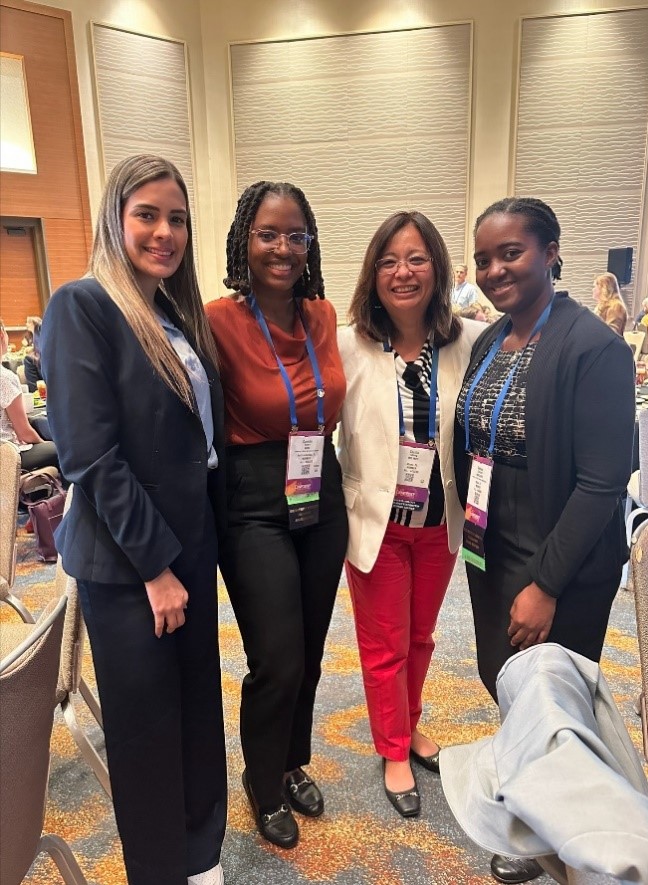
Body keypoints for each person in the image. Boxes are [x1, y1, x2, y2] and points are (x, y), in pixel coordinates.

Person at [41, 155, 227, 885]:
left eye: (177, 218)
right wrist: (155, 568)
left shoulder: (172, 314)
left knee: (194, 714)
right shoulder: (82, 306)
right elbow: (91, 455)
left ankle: (200, 857)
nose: (164, 231)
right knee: (149, 734)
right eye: (147, 214)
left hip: (190, 545)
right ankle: (160, 871)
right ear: (116, 220)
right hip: (132, 564)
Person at [453, 197, 635, 885]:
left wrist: (546, 583)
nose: (496, 269)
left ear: (551, 251)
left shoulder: (596, 347)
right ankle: (531, 809)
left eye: (512, 252)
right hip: (491, 540)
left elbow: (601, 483)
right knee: (508, 683)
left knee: (554, 702)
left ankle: (567, 840)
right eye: (485, 259)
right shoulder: (488, 340)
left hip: (559, 553)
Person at [206, 181, 347, 850]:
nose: (283, 247)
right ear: (244, 239)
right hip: (253, 497)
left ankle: (290, 762)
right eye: (268, 234)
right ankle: (260, 782)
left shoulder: (322, 314)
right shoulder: (216, 319)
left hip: (322, 483)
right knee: (278, 656)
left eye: (296, 235)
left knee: (312, 649)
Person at [337, 212, 483, 818]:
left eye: (417, 259)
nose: (403, 272)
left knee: (421, 637)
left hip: (440, 524)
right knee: (385, 644)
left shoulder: (470, 341)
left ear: (438, 270)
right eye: (390, 261)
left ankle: (410, 723)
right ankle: (394, 749)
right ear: (373, 273)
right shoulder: (348, 344)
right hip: (377, 525)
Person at [0, 318, 58, 471]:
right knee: (57, 449)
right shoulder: (4, 377)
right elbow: (24, 433)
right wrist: (44, 444)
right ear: (1, 335)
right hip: (7, 455)